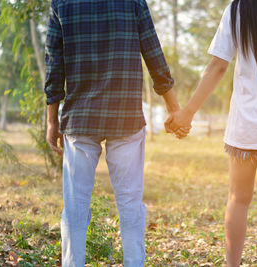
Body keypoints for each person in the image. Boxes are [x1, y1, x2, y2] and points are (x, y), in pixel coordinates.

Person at [166, 0, 257, 266]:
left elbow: (218, 67)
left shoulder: (237, 10)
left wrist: (188, 112)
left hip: (247, 122)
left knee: (238, 199)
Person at [44, 0, 186, 265]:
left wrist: (52, 121)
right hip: (125, 115)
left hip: (80, 117)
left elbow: (54, 64)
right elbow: (153, 53)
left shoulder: (61, 3)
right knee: (130, 204)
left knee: (75, 207)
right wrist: (173, 108)